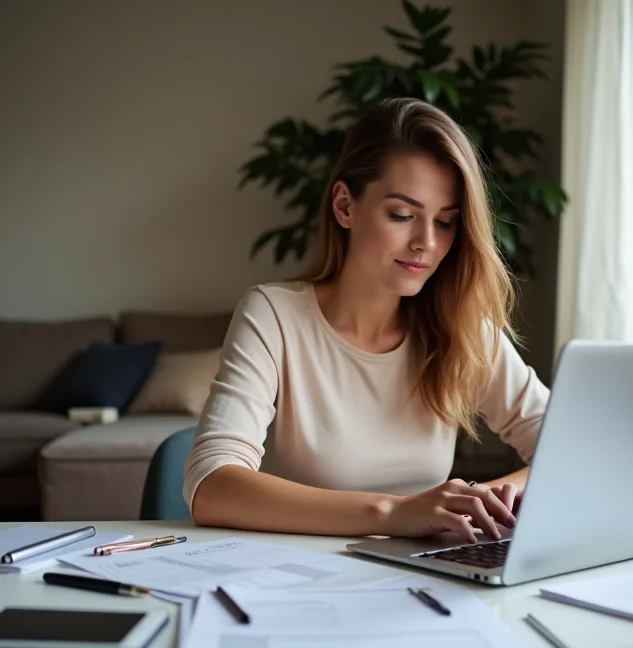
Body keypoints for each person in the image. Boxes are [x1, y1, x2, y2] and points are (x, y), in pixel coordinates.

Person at [184, 97, 550, 543]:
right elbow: (212, 487)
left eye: (446, 222)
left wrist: (476, 502)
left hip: (419, 571)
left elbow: (572, 448)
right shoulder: (274, 316)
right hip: (301, 573)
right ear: (344, 205)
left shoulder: (463, 329)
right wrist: (394, 512)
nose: (426, 242)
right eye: (402, 215)